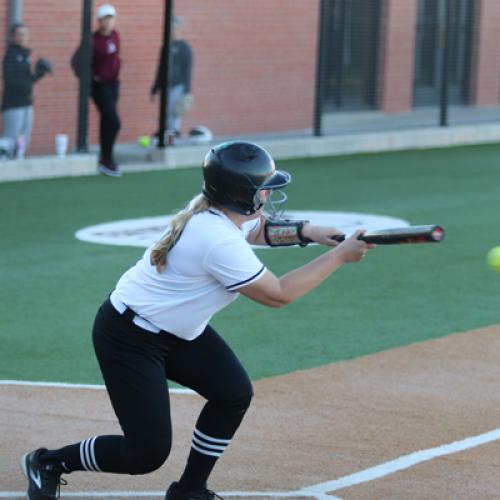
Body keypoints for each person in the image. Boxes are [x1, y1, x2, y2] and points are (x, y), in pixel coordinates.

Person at [21, 141, 374, 500]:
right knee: (146, 454)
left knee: (233, 393)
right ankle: (48, 462)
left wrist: (309, 232)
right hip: (129, 337)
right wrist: (338, 258)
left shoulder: (215, 210)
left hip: (175, 331)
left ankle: (189, 491)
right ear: (243, 195)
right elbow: (277, 294)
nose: (269, 192)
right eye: (264, 187)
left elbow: (257, 230)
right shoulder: (216, 240)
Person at [1, 23, 52, 158]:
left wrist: (39, 73)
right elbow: (10, 80)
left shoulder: (26, 56)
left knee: (24, 136)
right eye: (20, 34)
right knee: (11, 136)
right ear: (13, 37)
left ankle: (18, 162)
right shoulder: (11, 56)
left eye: (25, 34)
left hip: (26, 102)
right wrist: (27, 89)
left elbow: (29, 79)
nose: (23, 38)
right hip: (13, 103)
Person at [151, 15, 193, 140]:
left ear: (179, 28)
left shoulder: (185, 48)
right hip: (165, 85)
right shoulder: (166, 46)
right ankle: (165, 134)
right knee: (165, 112)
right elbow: (161, 68)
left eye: (174, 27)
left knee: (174, 112)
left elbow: (188, 69)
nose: (171, 30)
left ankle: (174, 134)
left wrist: (187, 91)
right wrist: (155, 87)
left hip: (178, 85)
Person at [92, 4, 122, 177]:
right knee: (113, 120)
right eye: (106, 18)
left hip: (113, 85)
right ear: (100, 21)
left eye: (112, 18)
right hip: (100, 86)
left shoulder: (115, 36)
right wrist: (94, 77)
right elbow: (78, 61)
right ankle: (106, 158)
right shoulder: (93, 40)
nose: (109, 22)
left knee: (107, 122)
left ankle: (106, 158)